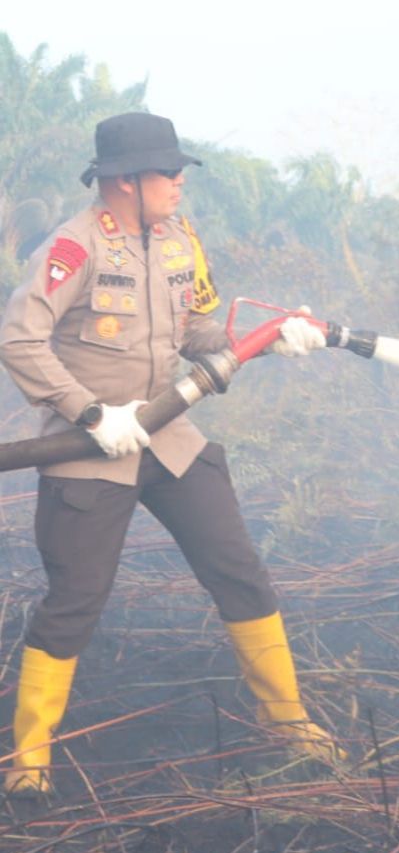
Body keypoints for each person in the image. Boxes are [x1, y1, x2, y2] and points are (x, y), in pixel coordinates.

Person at [0, 112, 342, 795]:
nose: (181, 182)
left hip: (171, 438)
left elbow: (199, 330)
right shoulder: (75, 247)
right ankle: (28, 761)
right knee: (75, 599)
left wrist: (271, 338)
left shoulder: (180, 240)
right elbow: (18, 339)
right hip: (90, 450)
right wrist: (90, 413)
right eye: (169, 171)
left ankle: (289, 723)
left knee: (239, 571)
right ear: (125, 181)